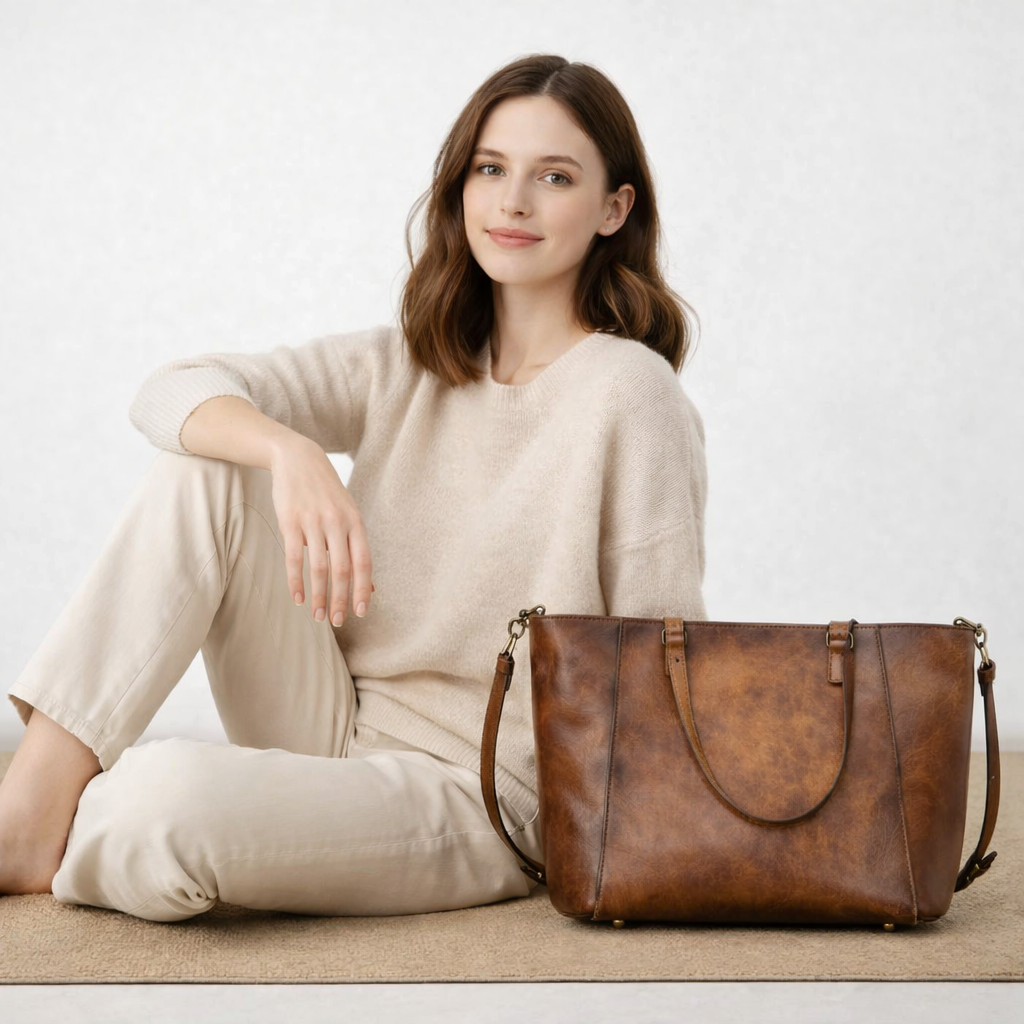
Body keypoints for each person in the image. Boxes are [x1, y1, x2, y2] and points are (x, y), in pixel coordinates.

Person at [0, 52, 708, 922]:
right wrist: (289, 453)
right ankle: (32, 810)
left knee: (161, 801)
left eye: (553, 176)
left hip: (480, 797)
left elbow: (667, 655)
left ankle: (94, 793)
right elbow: (170, 389)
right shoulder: (407, 365)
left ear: (613, 208)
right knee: (210, 463)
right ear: (461, 189)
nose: (513, 201)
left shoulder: (631, 394)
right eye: (490, 169)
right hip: (331, 724)